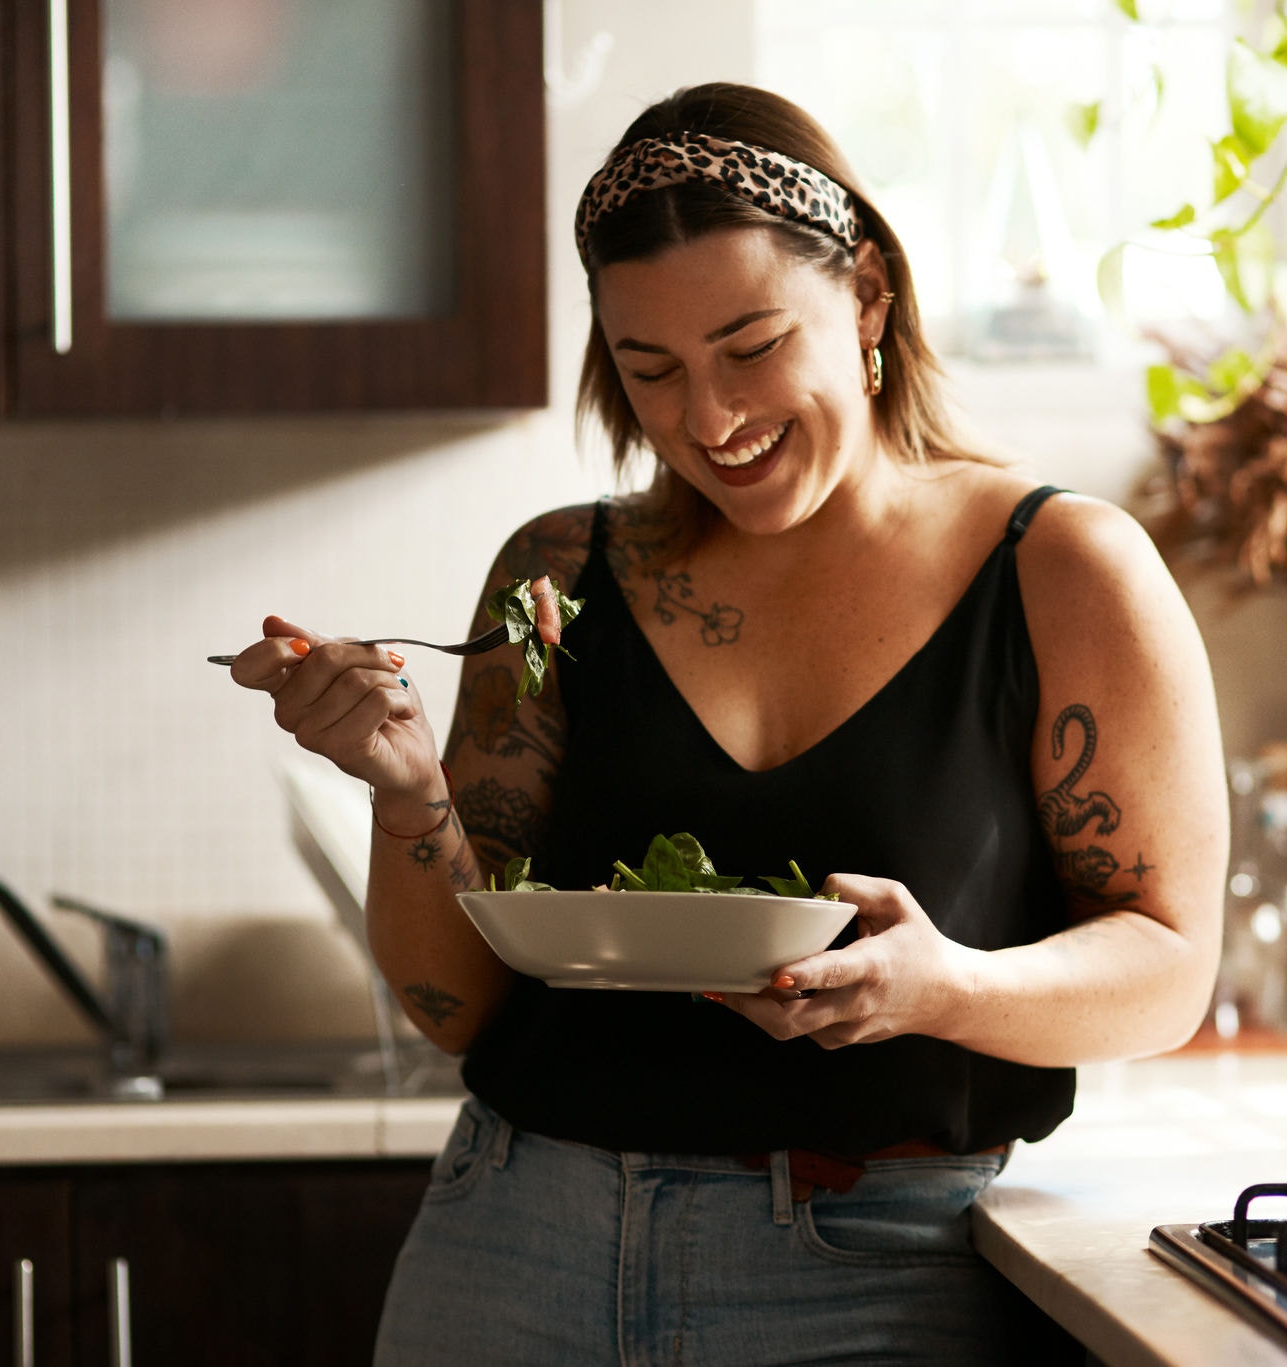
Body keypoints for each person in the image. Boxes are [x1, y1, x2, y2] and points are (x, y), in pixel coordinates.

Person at [229, 82, 1226, 1366]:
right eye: (652, 372)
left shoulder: (1060, 568)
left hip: (877, 1270)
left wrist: (941, 989)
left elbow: (1165, 968)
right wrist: (403, 788)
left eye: (752, 348)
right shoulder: (559, 573)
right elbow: (457, 1007)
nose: (710, 421)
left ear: (865, 294)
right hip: (511, 1242)